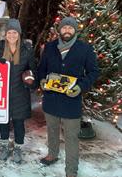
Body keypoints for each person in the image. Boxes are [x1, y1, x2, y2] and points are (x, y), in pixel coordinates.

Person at [38, 17, 99, 177]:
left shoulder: (85, 49)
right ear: (59, 30)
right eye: (64, 27)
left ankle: (71, 170)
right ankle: (53, 154)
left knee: (71, 137)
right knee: (52, 130)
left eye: (70, 28)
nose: (67, 30)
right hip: (51, 99)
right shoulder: (50, 47)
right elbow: (41, 69)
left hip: (71, 101)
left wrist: (80, 87)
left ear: (75, 31)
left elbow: (93, 72)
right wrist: (43, 80)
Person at [0, 19, 37, 164]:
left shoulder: (27, 50)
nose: (12, 35)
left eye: (14, 32)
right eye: (9, 32)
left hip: (20, 93)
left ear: (19, 34)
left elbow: (33, 70)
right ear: (6, 34)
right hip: (2, 93)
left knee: (18, 123)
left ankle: (18, 148)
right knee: (3, 122)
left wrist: (30, 81)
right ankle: (4, 146)